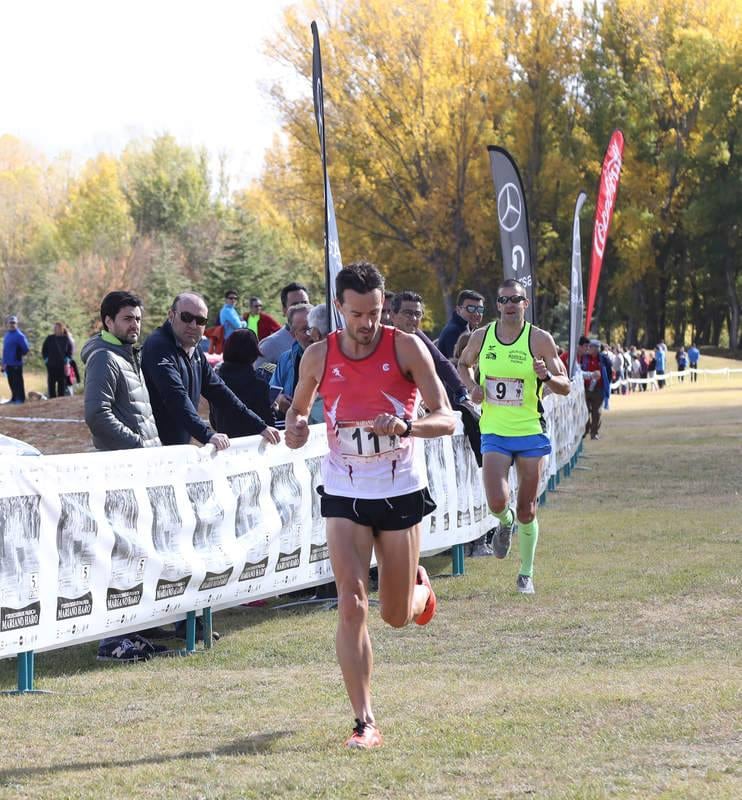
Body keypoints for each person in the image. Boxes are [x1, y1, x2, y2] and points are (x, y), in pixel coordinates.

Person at [284, 261, 455, 749]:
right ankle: (364, 721)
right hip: (344, 491)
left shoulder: (406, 346)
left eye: (375, 312)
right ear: (339, 308)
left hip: (399, 490)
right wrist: (296, 428)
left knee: (395, 615)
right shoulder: (318, 356)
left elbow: (444, 418)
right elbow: (298, 414)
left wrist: (407, 427)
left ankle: (420, 593)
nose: (368, 323)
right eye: (357, 313)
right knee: (352, 602)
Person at [457, 278, 570, 594]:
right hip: (494, 430)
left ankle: (526, 574)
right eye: (503, 300)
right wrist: (472, 388)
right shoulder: (482, 336)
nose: (509, 305)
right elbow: (463, 364)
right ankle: (503, 524)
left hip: (530, 431)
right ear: (498, 305)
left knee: (527, 509)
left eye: (514, 299)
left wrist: (545, 376)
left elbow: (566, 384)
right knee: (496, 501)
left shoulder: (539, 340)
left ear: (525, 303)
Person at [81, 291, 165, 662]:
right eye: (128, 319)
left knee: (136, 553)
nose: (135, 325)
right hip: (119, 472)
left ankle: (133, 631)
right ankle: (111, 640)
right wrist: (138, 446)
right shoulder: (104, 358)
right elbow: (97, 416)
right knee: (118, 554)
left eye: (138, 318)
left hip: (138, 470)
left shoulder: (127, 356)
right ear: (108, 322)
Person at [142, 292, 280, 449]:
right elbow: (175, 397)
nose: (193, 325)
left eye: (200, 320)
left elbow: (219, 391)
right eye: (186, 317)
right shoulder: (158, 346)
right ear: (171, 315)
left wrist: (260, 426)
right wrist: (207, 435)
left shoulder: (194, 348)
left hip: (178, 446)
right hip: (155, 447)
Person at [210, 328, 275, 436]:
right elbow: (269, 425)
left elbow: (214, 422)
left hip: (226, 446)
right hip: (253, 448)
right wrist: (274, 409)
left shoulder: (215, 382)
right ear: (254, 353)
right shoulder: (259, 386)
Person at [270, 303, 313, 418]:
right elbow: (272, 391)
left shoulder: (333, 357)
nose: (312, 334)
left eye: (314, 327)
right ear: (294, 334)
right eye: (305, 330)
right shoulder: (285, 359)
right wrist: (280, 399)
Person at [255, 282, 311, 367]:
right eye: (295, 305)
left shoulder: (321, 337)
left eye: (304, 303)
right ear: (284, 310)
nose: (301, 308)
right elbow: (257, 376)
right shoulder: (270, 345)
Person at [436, 289, 485, 358]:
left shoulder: (471, 330)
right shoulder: (454, 332)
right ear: (458, 310)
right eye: (470, 308)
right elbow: (458, 365)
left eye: (480, 309)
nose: (476, 313)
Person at [580, 339, 611, 439]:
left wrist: (605, 383)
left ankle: (594, 433)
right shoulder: (584, 358)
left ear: (597, 348)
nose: (589, 348)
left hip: (599, 389)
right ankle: (585, 431)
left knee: (596, 412)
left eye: (591, 347)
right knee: (585, 411)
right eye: (589, 346)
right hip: (585, 388)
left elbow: (609, 372)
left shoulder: (604, 359)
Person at [2, 315, 30, 404]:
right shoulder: (7, 335)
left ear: (16, 324)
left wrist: (18, 354)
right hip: (8, 364)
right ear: (7, 324)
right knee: (11, 382)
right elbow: (5, 350)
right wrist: (3, 363)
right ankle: (14, 398)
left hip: (16, 363)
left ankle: (20, 399)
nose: (12, 324)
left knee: (18, 382)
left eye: (14, 323)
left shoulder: (19, 335)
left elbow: (26, 349)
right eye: (10, 323)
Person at [41, 322, 73, 399]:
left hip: (62, 365)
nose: (55, 329)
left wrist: (67, 360)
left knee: (61, 384)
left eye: (57, 328)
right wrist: (46, 360)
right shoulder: (50, 338)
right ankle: (52, 399)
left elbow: (70, 351)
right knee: (51, 383)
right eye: (54, 328)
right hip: (51, 365)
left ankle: (60, 400)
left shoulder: (66, 339)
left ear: (62, 329)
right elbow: (44, 350)